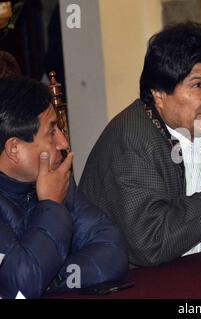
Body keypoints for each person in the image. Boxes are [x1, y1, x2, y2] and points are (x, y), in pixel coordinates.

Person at [79, 22, 201, 267]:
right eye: (198, 85)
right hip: (131, 284)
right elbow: (150, 244)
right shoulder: (133, 140)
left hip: (194, 275)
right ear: (159, 93)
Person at [0, 76, 128, 299]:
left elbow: (113, 252)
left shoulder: (55, 181)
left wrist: (53, 278)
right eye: (51, 132)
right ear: (14, 148)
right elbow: (23, 286)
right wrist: (50, 205)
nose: (63, 143)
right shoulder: (53, 190)